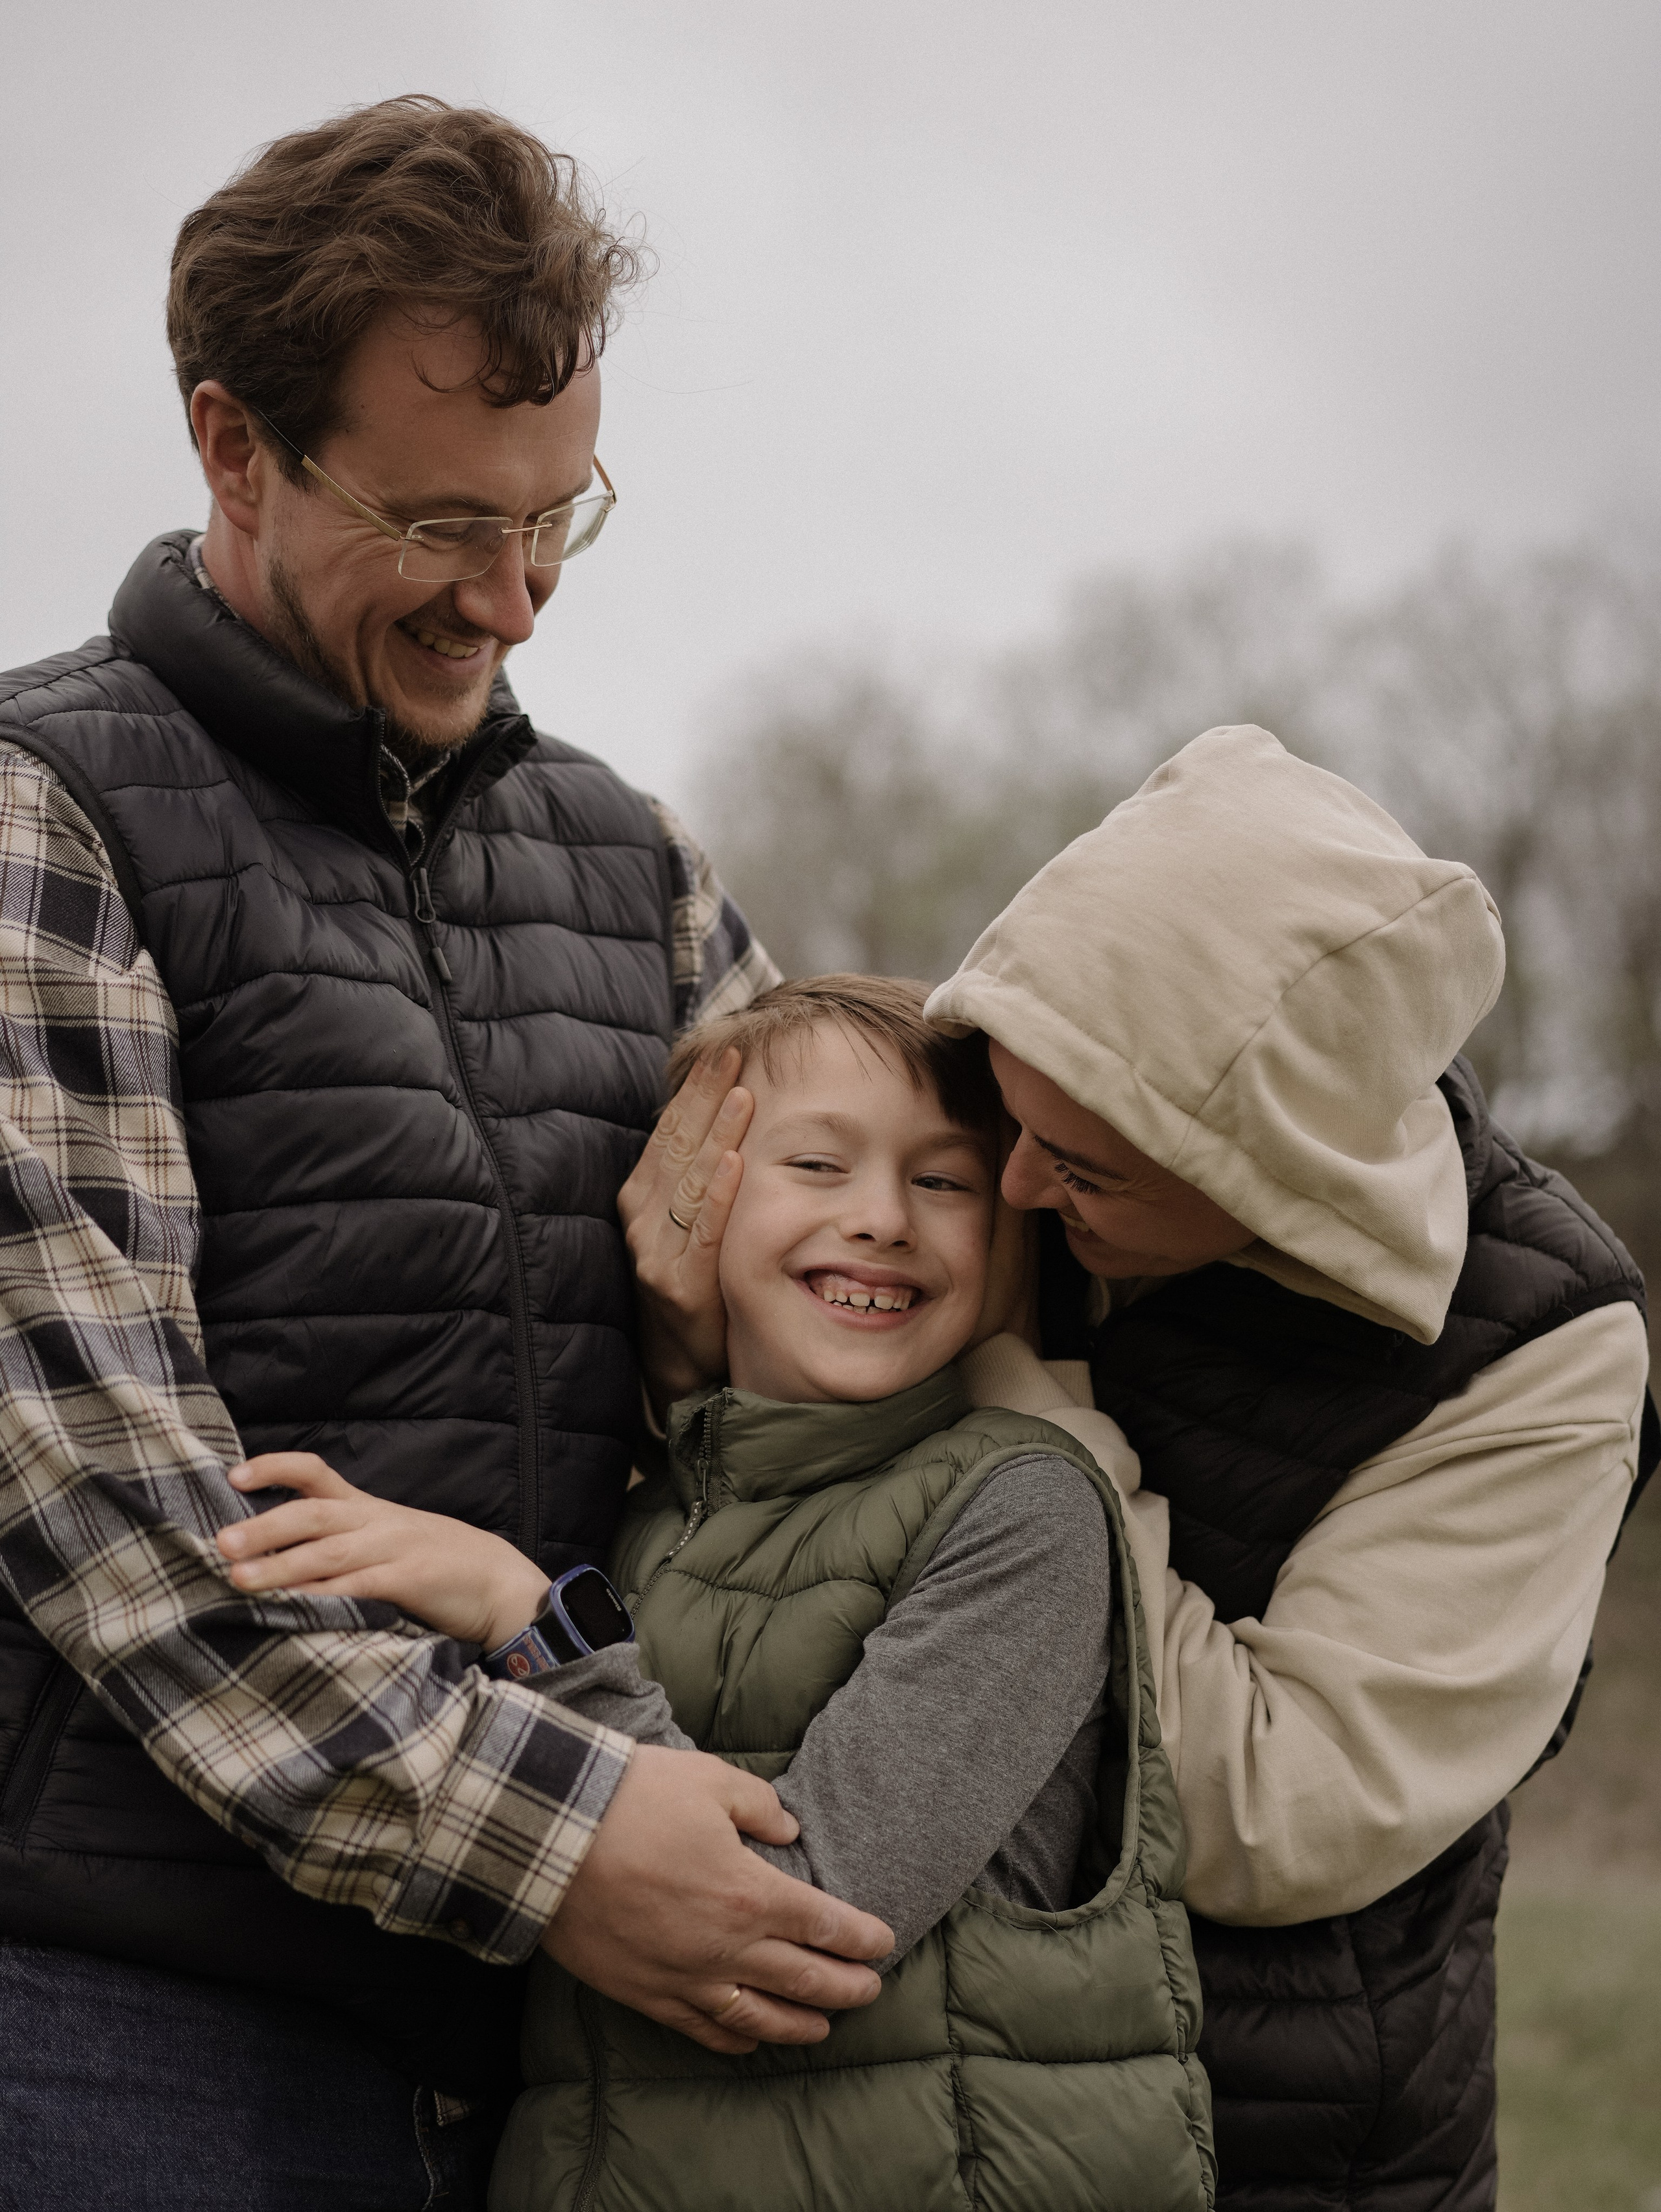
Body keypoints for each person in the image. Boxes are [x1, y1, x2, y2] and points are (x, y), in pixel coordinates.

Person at [0, 98, 890, 2212]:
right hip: (132, 2016)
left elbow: (808, 1366)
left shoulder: (640, 868)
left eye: (559, 508)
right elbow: (113, 1501)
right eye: (436, 524)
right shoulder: (43, 816)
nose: (517, 597)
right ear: (235, 448)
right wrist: (560, 1839)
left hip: (560, 2028)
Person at [639, 725, 1656, 2212]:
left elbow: (1279, 1810)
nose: (1011, 1189)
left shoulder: (1540, 1352)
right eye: (1008, 1121)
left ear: (1275, 1180)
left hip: (1276, 2139)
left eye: (1085, 1169)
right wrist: (686, 1352)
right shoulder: (1021, 1124)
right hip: (905, 2109)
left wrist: (1014, 1394)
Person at [217, 974, 1216, 2212]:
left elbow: (800, 1922)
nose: (885, 1219)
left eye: (944, 1180)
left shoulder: (1023, 1508)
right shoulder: (652, 1519)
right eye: (817, 1163)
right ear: (701, 1198)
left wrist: (532, 1615)